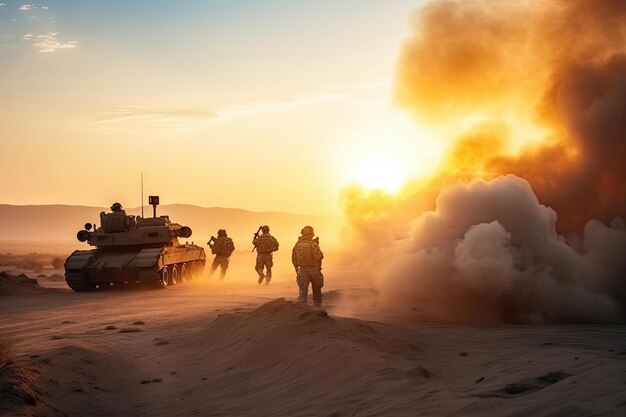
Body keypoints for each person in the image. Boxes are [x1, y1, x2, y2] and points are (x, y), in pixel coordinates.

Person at [292, 226, 324, 307]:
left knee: (303, 293)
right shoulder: (313, 244)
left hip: (302, 270)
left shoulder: (297, 244)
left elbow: (294, 258)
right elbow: (319, 257)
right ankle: (317, 311)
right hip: (313, 270)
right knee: (317, 292)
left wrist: (297, 269)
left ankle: (303, 311)